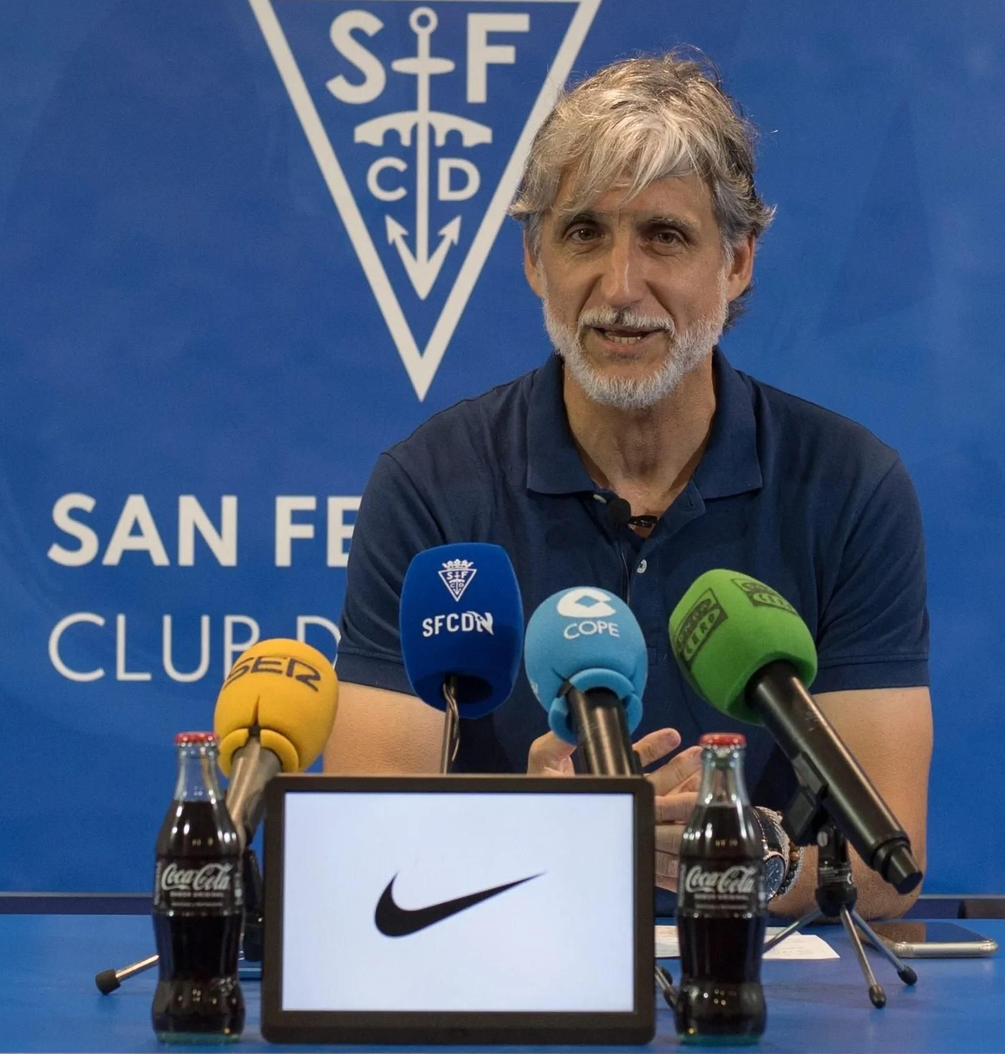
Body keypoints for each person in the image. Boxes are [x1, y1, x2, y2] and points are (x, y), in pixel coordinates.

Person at [324, 52, 932, 920]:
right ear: (535, 260)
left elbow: (887, 860)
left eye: (665, 236)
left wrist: (733, 857)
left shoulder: (849, 485)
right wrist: (537, 832)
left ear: (738, 260)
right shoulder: (429, 484)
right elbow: (362, 838)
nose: (619, 287)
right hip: (510, 977)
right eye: (583, 234)